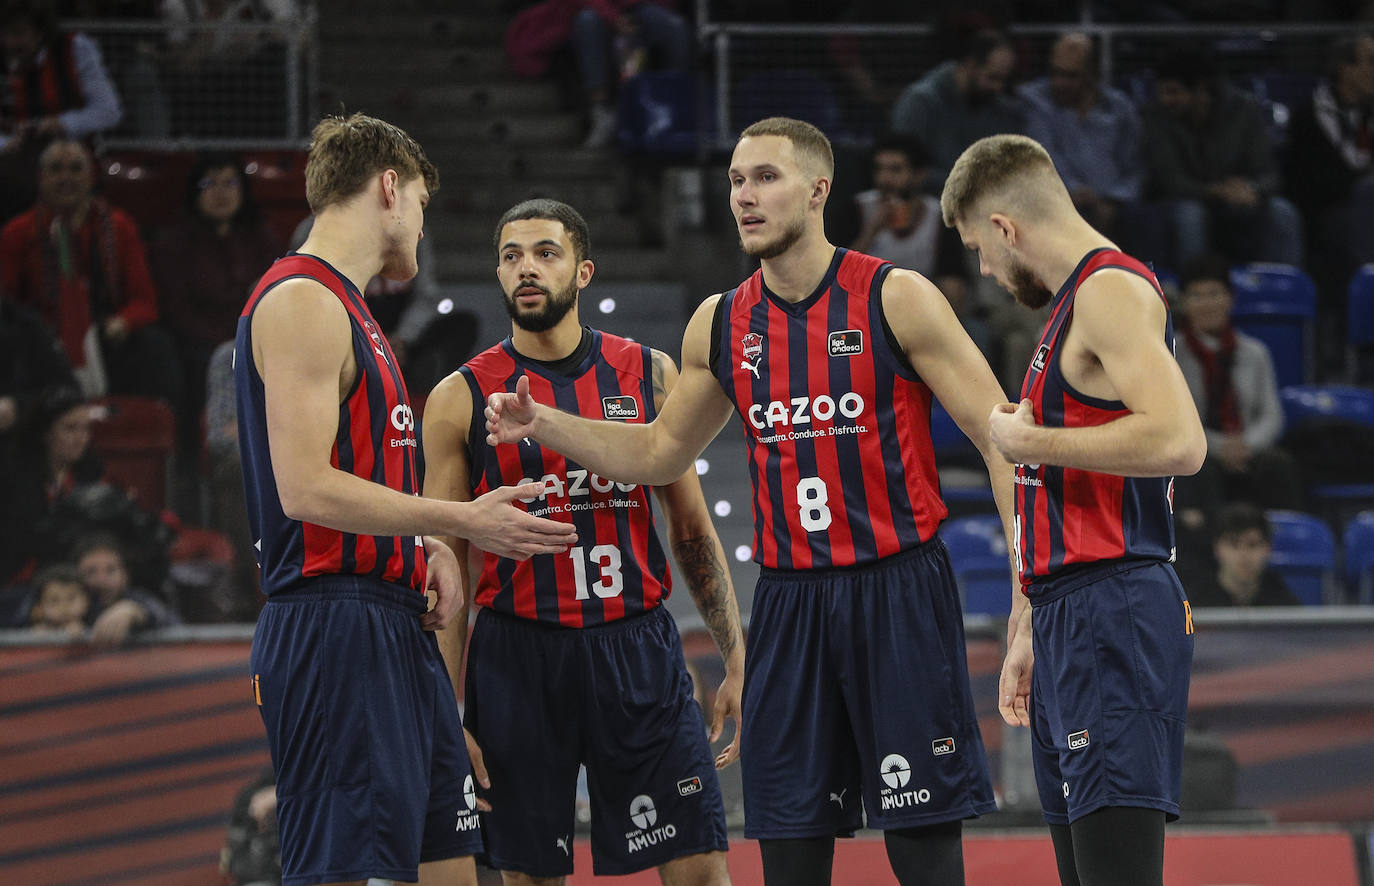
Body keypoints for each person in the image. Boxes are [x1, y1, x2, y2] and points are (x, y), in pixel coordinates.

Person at [485, 117, 1018, 886]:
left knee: (922, 846)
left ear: (818, 190)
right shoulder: (721, 320)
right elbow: (658, 452)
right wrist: (546, 423)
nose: (744, 196)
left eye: (765, 177)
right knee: (789, 844)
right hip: (791, 603)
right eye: (736, 181)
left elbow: (1004, 439)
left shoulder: (895, 296)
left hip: (896, 588)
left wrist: (1024, 594)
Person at [233, 112, 577, 886]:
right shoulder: (302, 300)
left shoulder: (357, 311)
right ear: (389, 188)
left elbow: (359, 472)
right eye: (420, 202)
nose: (421, 226)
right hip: (333, 623)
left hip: (391, 618)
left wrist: (420, 547)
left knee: (449, 860)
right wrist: (458, 521)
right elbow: (303, 486)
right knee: (343, 869)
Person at [424, 198, 742, 882]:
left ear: (584, 271)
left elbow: (689, 526)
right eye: (511, 256)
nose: (526, 269)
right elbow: (443, 562)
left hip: (636, 648)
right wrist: (444, 707)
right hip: (516, 656)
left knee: (702, 865)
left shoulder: (649, 373)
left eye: (546, 253)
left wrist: (735, 654)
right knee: (530, 875)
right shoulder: (459, 396)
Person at [941, 133, 1207, 886]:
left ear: (1004, 227)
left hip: (1113, 606)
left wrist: (1032, 440)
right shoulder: (1071, 307)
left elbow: (1181, 439)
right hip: (1071, 613)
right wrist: (1030, 620)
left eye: (978, 250)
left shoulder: (1109, 291)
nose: (986, 272)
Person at [0, 138, 181, 406]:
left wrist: (124, 321)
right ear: (40, 178)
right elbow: (6, 304)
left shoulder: (120, 226)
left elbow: (144, 300)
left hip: (107, 335)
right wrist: (37, 331)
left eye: (75, 169)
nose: (66, 178)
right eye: (56, 169)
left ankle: (158, 434)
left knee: (156, 345)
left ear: (91, 176)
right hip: (39, 339)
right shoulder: (17, 232)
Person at [151, 152, 282, 464]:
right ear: (195, 192)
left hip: (256, 338)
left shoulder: (263, 238)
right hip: (199, 344)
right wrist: (226, 341)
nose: (221, 192)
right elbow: (175, 308)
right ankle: (197, 460)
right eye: (210, 184)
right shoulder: (174, 242)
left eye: (229, 183)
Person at [1143, 47, 1303, 268]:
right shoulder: (1157, 117)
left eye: (1173, 92)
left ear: (1200, 89)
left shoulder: (1244, 109)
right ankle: (1196, 292)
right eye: (1162, 92)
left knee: (1282, 212)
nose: (1166, 99)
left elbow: (1269, 173)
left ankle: (1284, 292)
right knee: (1190, 215)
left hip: (1241, 199)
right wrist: (1217, 190)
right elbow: (1169, 180)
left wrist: (1253, 188)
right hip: (1188, 199)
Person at [1170, 253, 1303, 519]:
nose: (1207, 303)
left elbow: (1271, 415)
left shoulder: (1255, 352)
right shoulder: (1170, 353)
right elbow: (1174, 420)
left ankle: (1279, 545)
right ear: (1184, 303)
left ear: (1230, 298)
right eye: (1196, 295)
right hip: (1200, 451)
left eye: (1215, 293)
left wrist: (1245, 446)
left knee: (1279, 465)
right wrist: (1220, 447)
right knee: (1195, 468)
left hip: (1248, 450)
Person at [849, 133, 988, 358]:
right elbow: (838, 275)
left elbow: (953, 289)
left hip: (925, 315)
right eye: (880, 169)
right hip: (865, 314)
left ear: (919, 175)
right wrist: (871, 231)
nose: (884, 179)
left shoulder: (940, 219)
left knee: (977, 332)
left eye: (895, 170)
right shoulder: (856, 210)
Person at [1018, 33, 1148, 249]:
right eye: (1055, 72)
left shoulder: (1119, 108)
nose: (1059, 83)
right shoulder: (1036, 103)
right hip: (1063, 200)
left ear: (1092, 75)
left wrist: (1113, 199)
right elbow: (1044, 157)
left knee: (1143, 218)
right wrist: (1075, 191)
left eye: (1070, 76)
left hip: (1115, 204)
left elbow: (1136, 166)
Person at [0, 0, 123, 222]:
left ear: (39, 33)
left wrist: (62, 123)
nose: (9, 42)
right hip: (10, 172)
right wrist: (5, 143)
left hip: (70, 163)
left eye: (18, 34)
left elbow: (108, 110)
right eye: (3, 33)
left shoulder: (75, 49)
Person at [889, 28, 1024, 195]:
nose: (998, 87)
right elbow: (904, 169)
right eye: (992, 78)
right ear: (970, 64)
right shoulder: (920, 102)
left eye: (1004, 80)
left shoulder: (999, 107)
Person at [73, 531, 180, 647]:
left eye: (111, 570)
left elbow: (175, 626)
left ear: (125, 575)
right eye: (91, 571)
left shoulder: (140, 599)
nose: (101, 580)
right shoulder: (71, 606)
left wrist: (134, 610)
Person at [1185, 502, 1300, 608]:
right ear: (1217, 548)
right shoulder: (1195, 603)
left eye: (1253, 545)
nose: (1243, 555)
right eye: (1233, 544)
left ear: (1268, 548)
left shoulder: (1285, 603)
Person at [27, 563, 90, 637]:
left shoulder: (97, 624)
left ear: (87, 601)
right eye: (54, 600)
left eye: (71, 598)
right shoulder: (35, 632)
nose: (64, 607)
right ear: (40, 606)